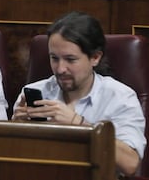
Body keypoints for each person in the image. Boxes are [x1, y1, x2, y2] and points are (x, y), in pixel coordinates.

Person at [12, 11, 146, 176]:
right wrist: (15, 131)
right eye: (54, 58)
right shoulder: (36, 92)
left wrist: (79, 124)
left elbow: (130, 164)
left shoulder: (120, 97)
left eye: (70, 59)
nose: (60, 69)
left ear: (95, 58)